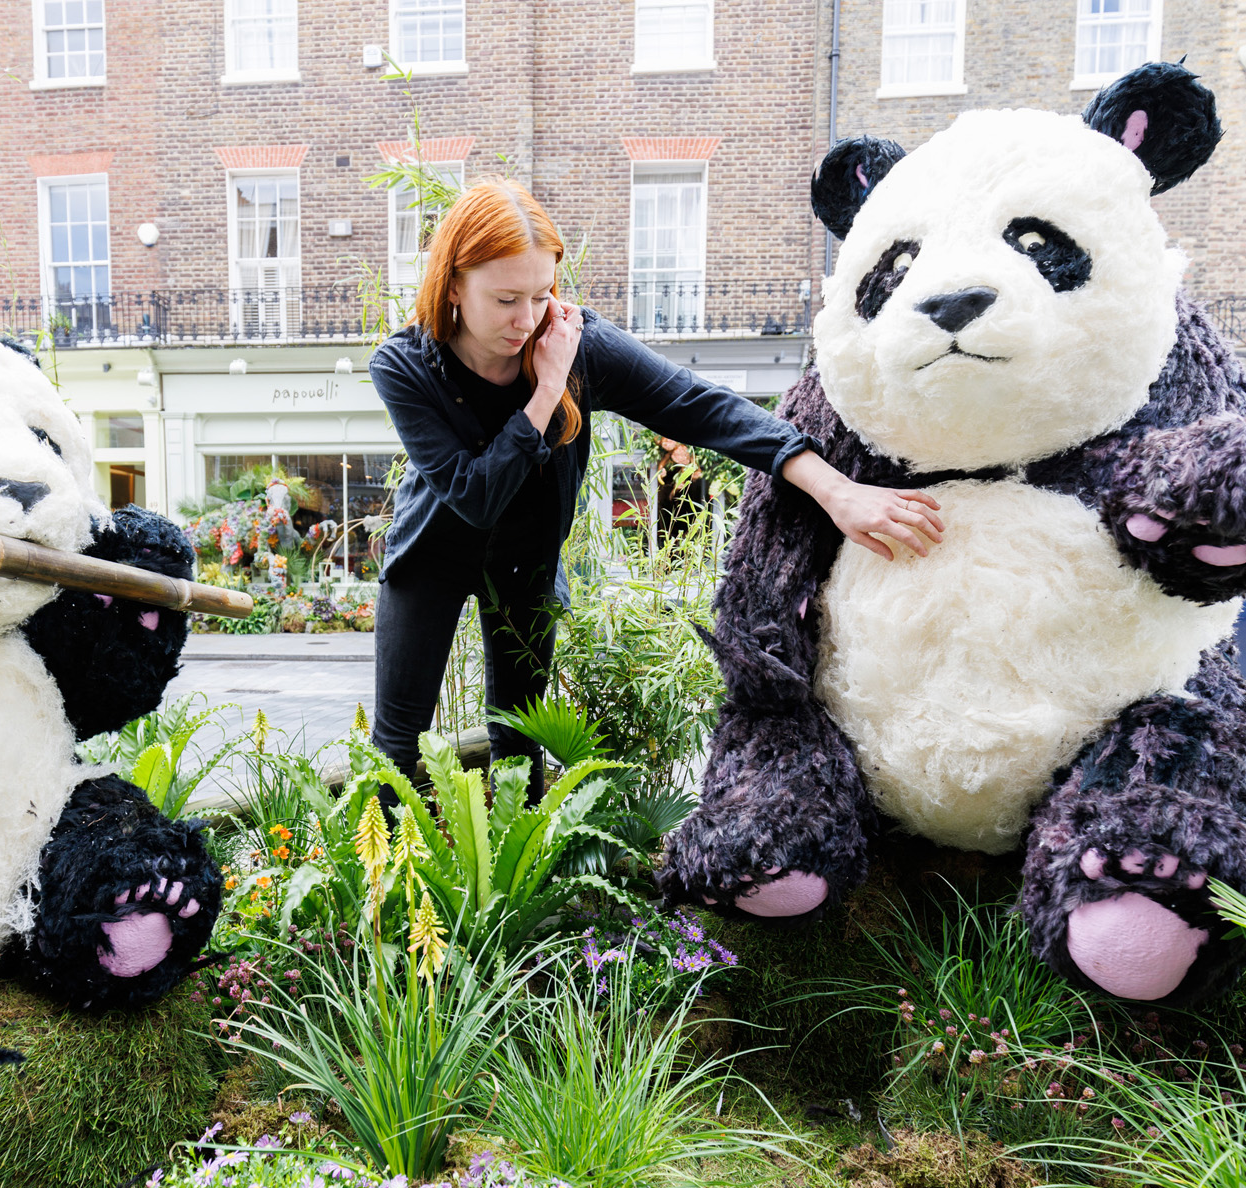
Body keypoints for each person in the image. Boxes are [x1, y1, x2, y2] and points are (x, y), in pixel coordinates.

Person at [366, 179, 943, 799]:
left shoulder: (573, 340)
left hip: (524, 561)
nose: (527, 320)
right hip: (431, 556)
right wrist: (544, 392)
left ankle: (519, 892)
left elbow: (695, 404)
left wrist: (834, 489)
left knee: (518, 737)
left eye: (540, 294)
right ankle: (388, 890)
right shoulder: (404, 365)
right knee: (398, 743)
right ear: (454, 284)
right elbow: (474, 497)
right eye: (506, 298)